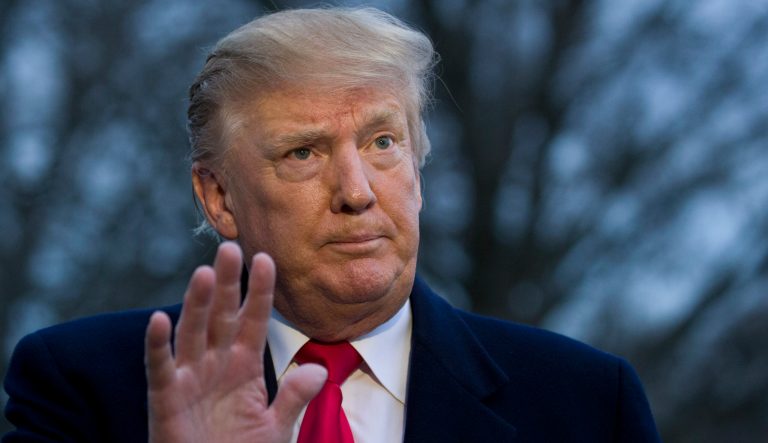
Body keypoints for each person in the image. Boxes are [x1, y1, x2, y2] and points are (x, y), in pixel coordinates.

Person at [2, 7, 661, 443]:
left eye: (382, 143)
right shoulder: (80, 386)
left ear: (419, 167)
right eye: (303, 152)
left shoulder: (588, 404)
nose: (356, 191)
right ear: (219, 195)